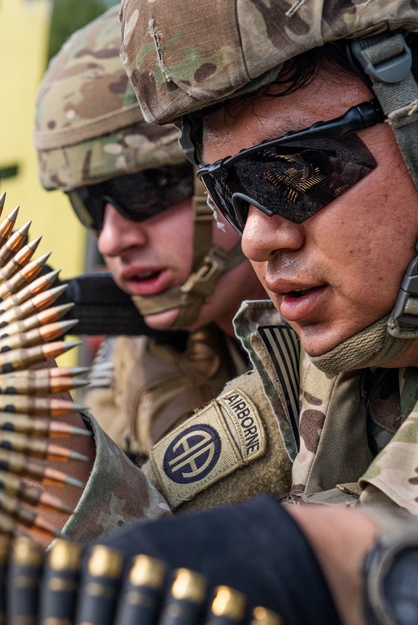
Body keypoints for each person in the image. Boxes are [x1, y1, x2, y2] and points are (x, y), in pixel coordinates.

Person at [70, 0, 418, 625]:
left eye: (293, 174)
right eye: (230, 193)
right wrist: (18, 418)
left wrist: (344, 573)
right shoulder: (347, 352)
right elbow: (152, 539)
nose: (255, 235)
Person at [32, 5, 265, 461]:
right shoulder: (140, 347)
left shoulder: (358, 343)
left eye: (143, 190)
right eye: (90, 205)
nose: (111, 240)